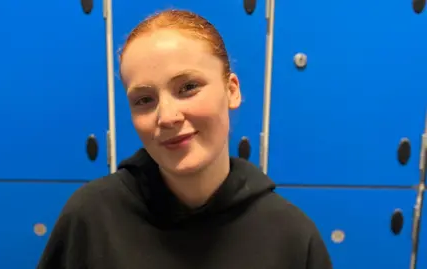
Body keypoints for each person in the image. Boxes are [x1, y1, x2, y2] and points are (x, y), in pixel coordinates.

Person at [36, 9, 332, 269]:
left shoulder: (291, 236)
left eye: (188, 87)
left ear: (232, 90)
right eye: (144, 100)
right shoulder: (90, 219)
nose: (167, 116)